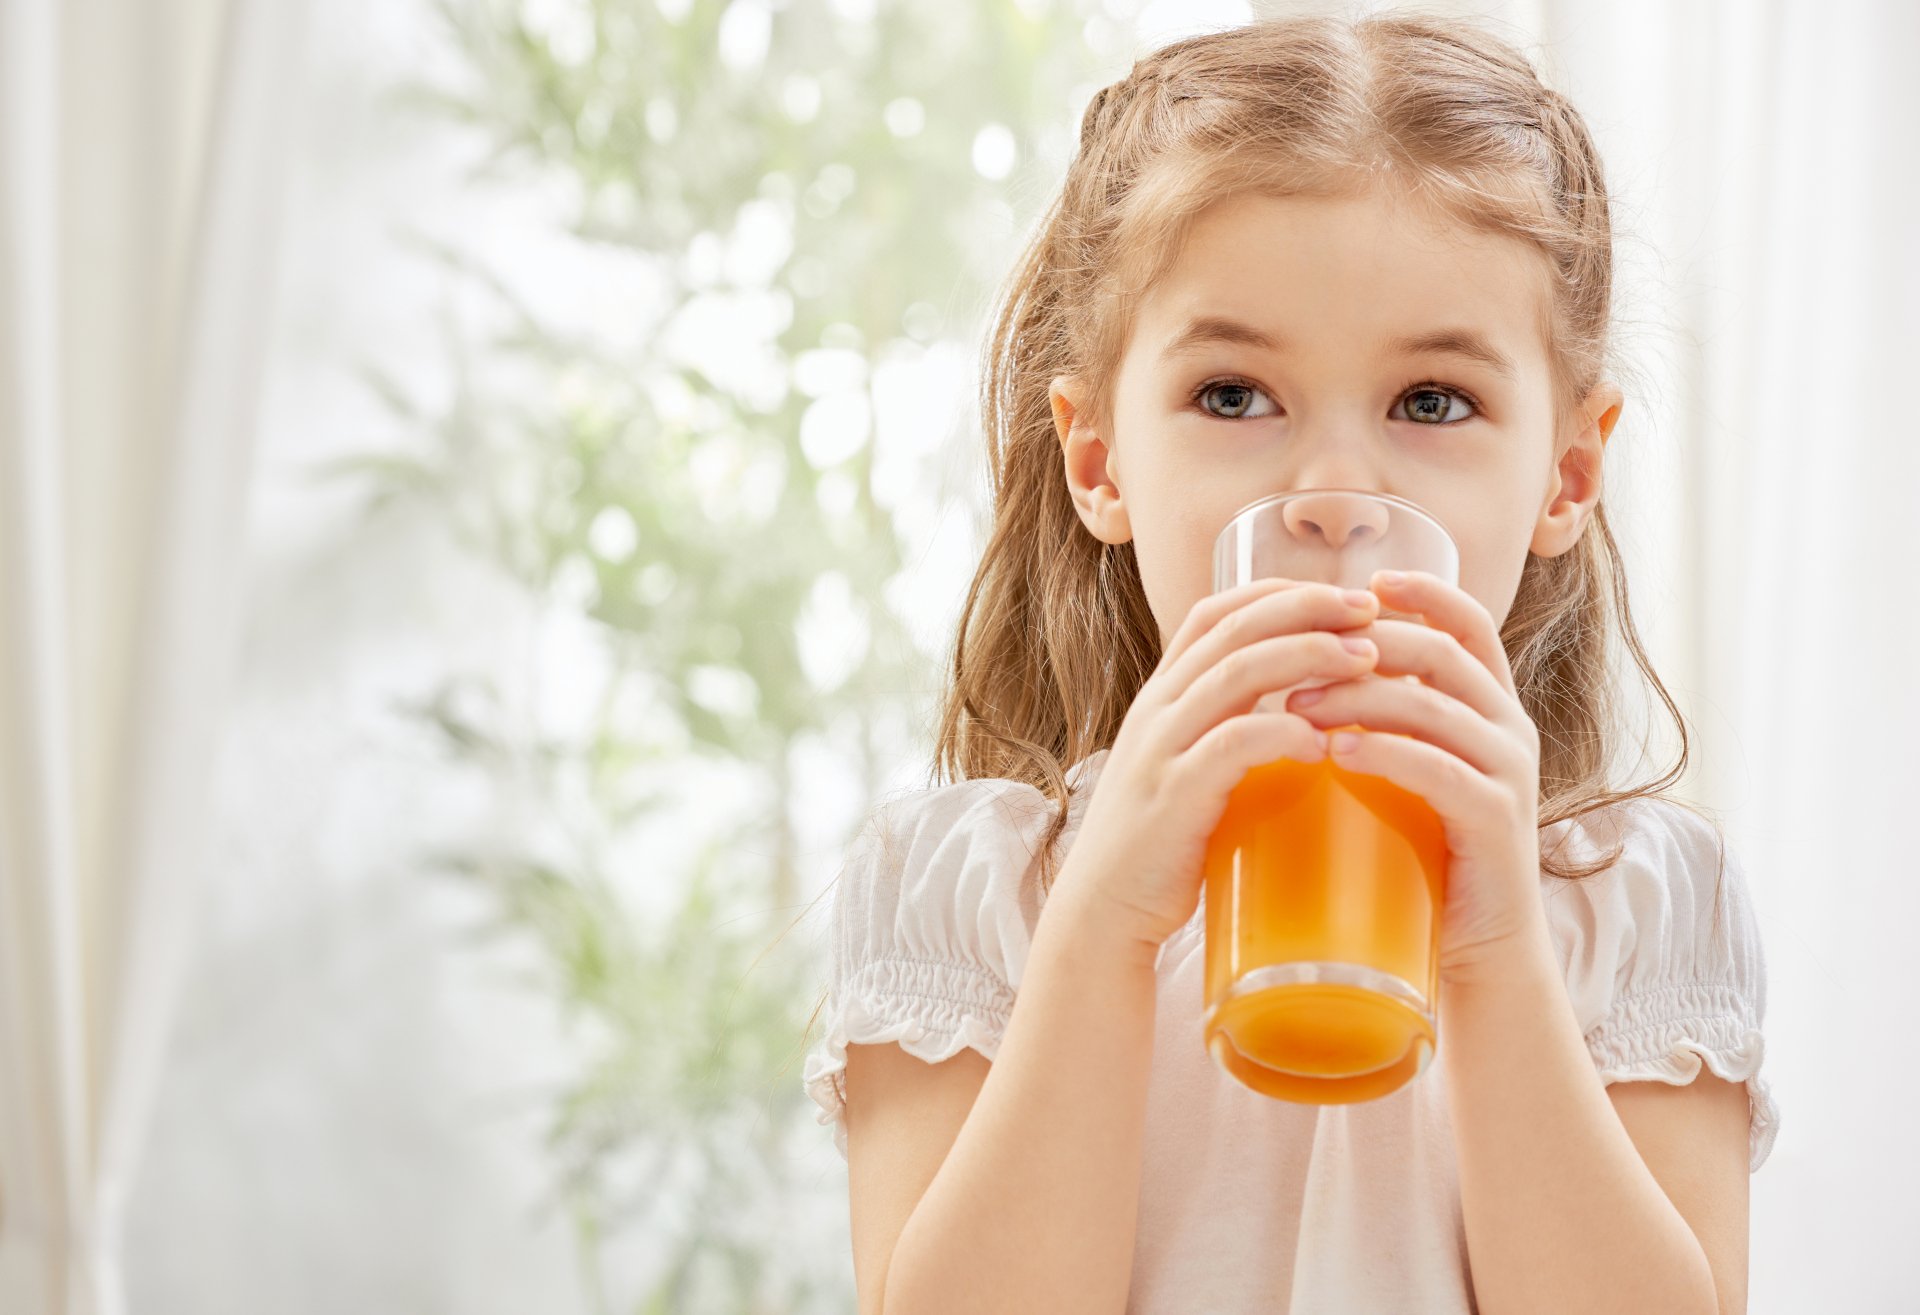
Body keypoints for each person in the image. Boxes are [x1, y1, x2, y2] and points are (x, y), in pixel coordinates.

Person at [800, 11, 1777, 1313]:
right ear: (1099, 462)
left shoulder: (1640, 908)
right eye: (1232, 396)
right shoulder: (971, 897)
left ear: (1567, 476)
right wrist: (1101, 926)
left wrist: (1495, 950)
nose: (1332, 495)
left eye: (1431, 404)